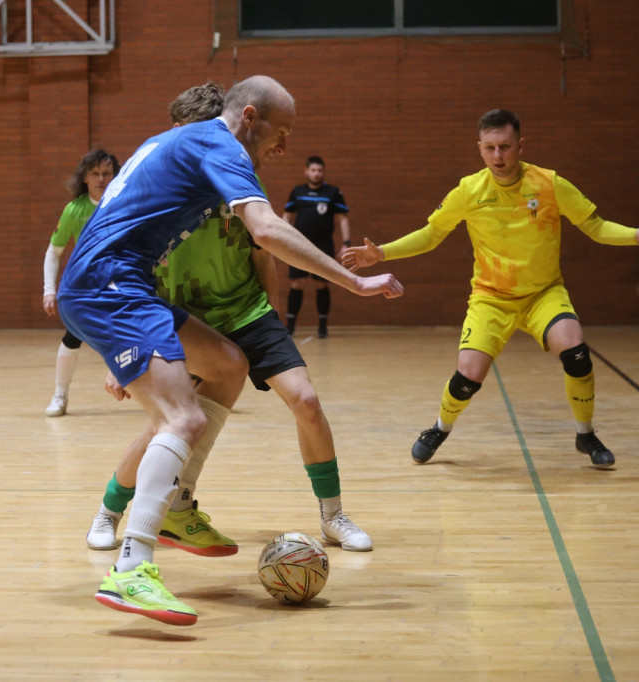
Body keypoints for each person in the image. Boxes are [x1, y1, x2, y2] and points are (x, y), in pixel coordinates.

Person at [57, 75, 403, 626]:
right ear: (248, 117)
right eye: (281, 131)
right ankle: (130, 568)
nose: (284, 146)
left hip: (118, 282)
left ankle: (176, 509)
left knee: (226, 365)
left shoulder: (174, 143)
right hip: (111, 284)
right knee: (181, 416)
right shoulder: (217, 143)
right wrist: (353, 282)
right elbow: (265, 230)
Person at [341, 108, 639, 469]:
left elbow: (594, 226)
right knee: (468, 375)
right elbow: (431, 234)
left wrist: (637, 236)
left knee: (576, 352)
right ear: (480, 149)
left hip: (543, 294)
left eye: (505, 146)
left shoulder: (549, 183)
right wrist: (382, 254)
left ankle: (586, 434)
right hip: (491, 298)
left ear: (520, 144)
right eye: (490, 148)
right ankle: (438, 428)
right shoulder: (469, 190)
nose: (498, 156)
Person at [42, 149, 119, 417]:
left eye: (106, 173)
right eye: (95, 174)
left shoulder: (124, 204)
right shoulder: (74, 210)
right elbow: (54, 251)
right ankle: (60, 395)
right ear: (85, 178)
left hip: (121, 284)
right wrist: (49, 290)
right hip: (85, 288)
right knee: (72, 339)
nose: (101, 179)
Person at [282, 156, 351, 338]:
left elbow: (343, 219)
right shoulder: (297, 192)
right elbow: (287, 216)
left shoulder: (333, 193)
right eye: (313, 170)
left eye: (320, 170)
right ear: (306, 171)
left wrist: (347, 243)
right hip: (298, 245)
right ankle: (290, 326)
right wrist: (283, 237)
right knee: (297, 283)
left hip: (323, 245)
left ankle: (322, 326)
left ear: (323, 172)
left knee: (322, 283)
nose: (316, 173)